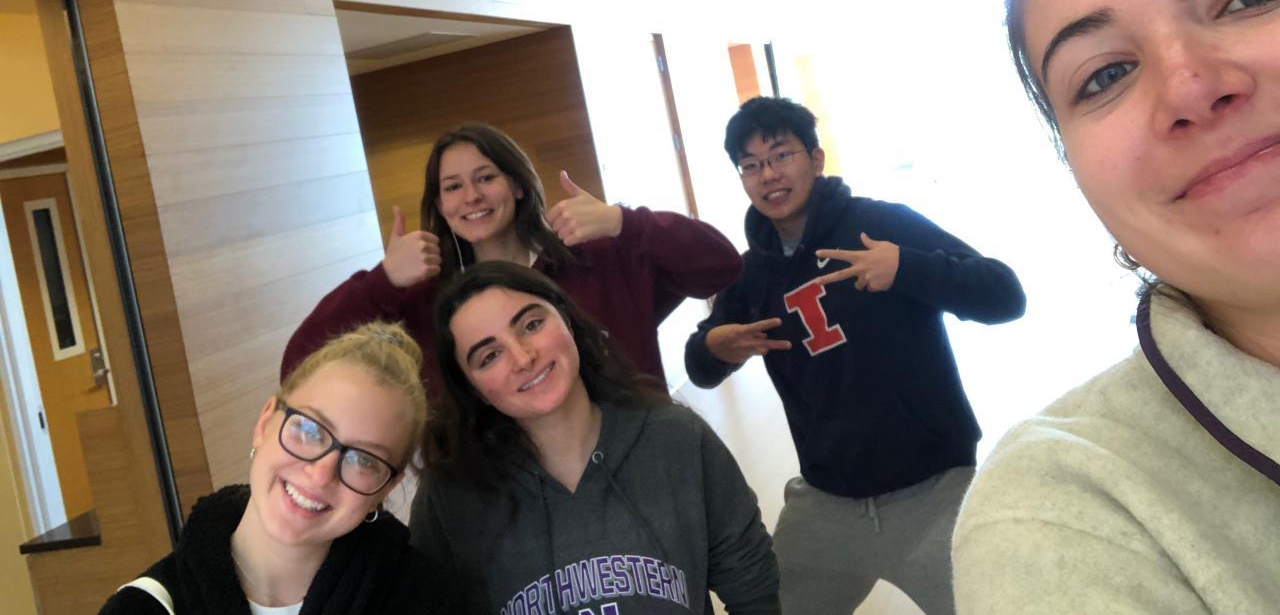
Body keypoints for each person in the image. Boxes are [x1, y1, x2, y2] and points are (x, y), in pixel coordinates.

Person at [952, 0, 1280, 614]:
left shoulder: (880, 225)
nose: (1190, 86)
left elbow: (995, 293)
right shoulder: (1059, 513)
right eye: (1103, 76)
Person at [684, 96, 1025, 615]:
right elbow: (699, 368)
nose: (768, 174)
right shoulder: (750, 273)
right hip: (826, 504)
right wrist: (713, 347)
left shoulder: (881, 224)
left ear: (816, 159)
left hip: (935, 493)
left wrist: (906, 267)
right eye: (750, 165)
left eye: (781, 155)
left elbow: (1005, 296)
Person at [412, 261, 781, 614]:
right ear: (473, 389)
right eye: (490, 356)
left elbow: (754, 590)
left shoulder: (677, 437)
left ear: (566, 319)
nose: (523, 358)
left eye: (531, 325)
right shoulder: (450, 497)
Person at [284, 123, 741, 388]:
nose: (471, 197)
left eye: (486, 178)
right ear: (440, 205)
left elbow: (721, 266)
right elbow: (303, 366)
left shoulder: (595, 257)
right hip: (501, 503)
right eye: (452, 187)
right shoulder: (427, 300)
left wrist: (626, 222)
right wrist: (381, 281)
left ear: (518, 184)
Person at [100, 322, 436, 615]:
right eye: (310, 431)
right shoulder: (143, 607)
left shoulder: (432, 599)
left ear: (386, 487)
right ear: (265, 423)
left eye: (364, 460)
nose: (321, 474)